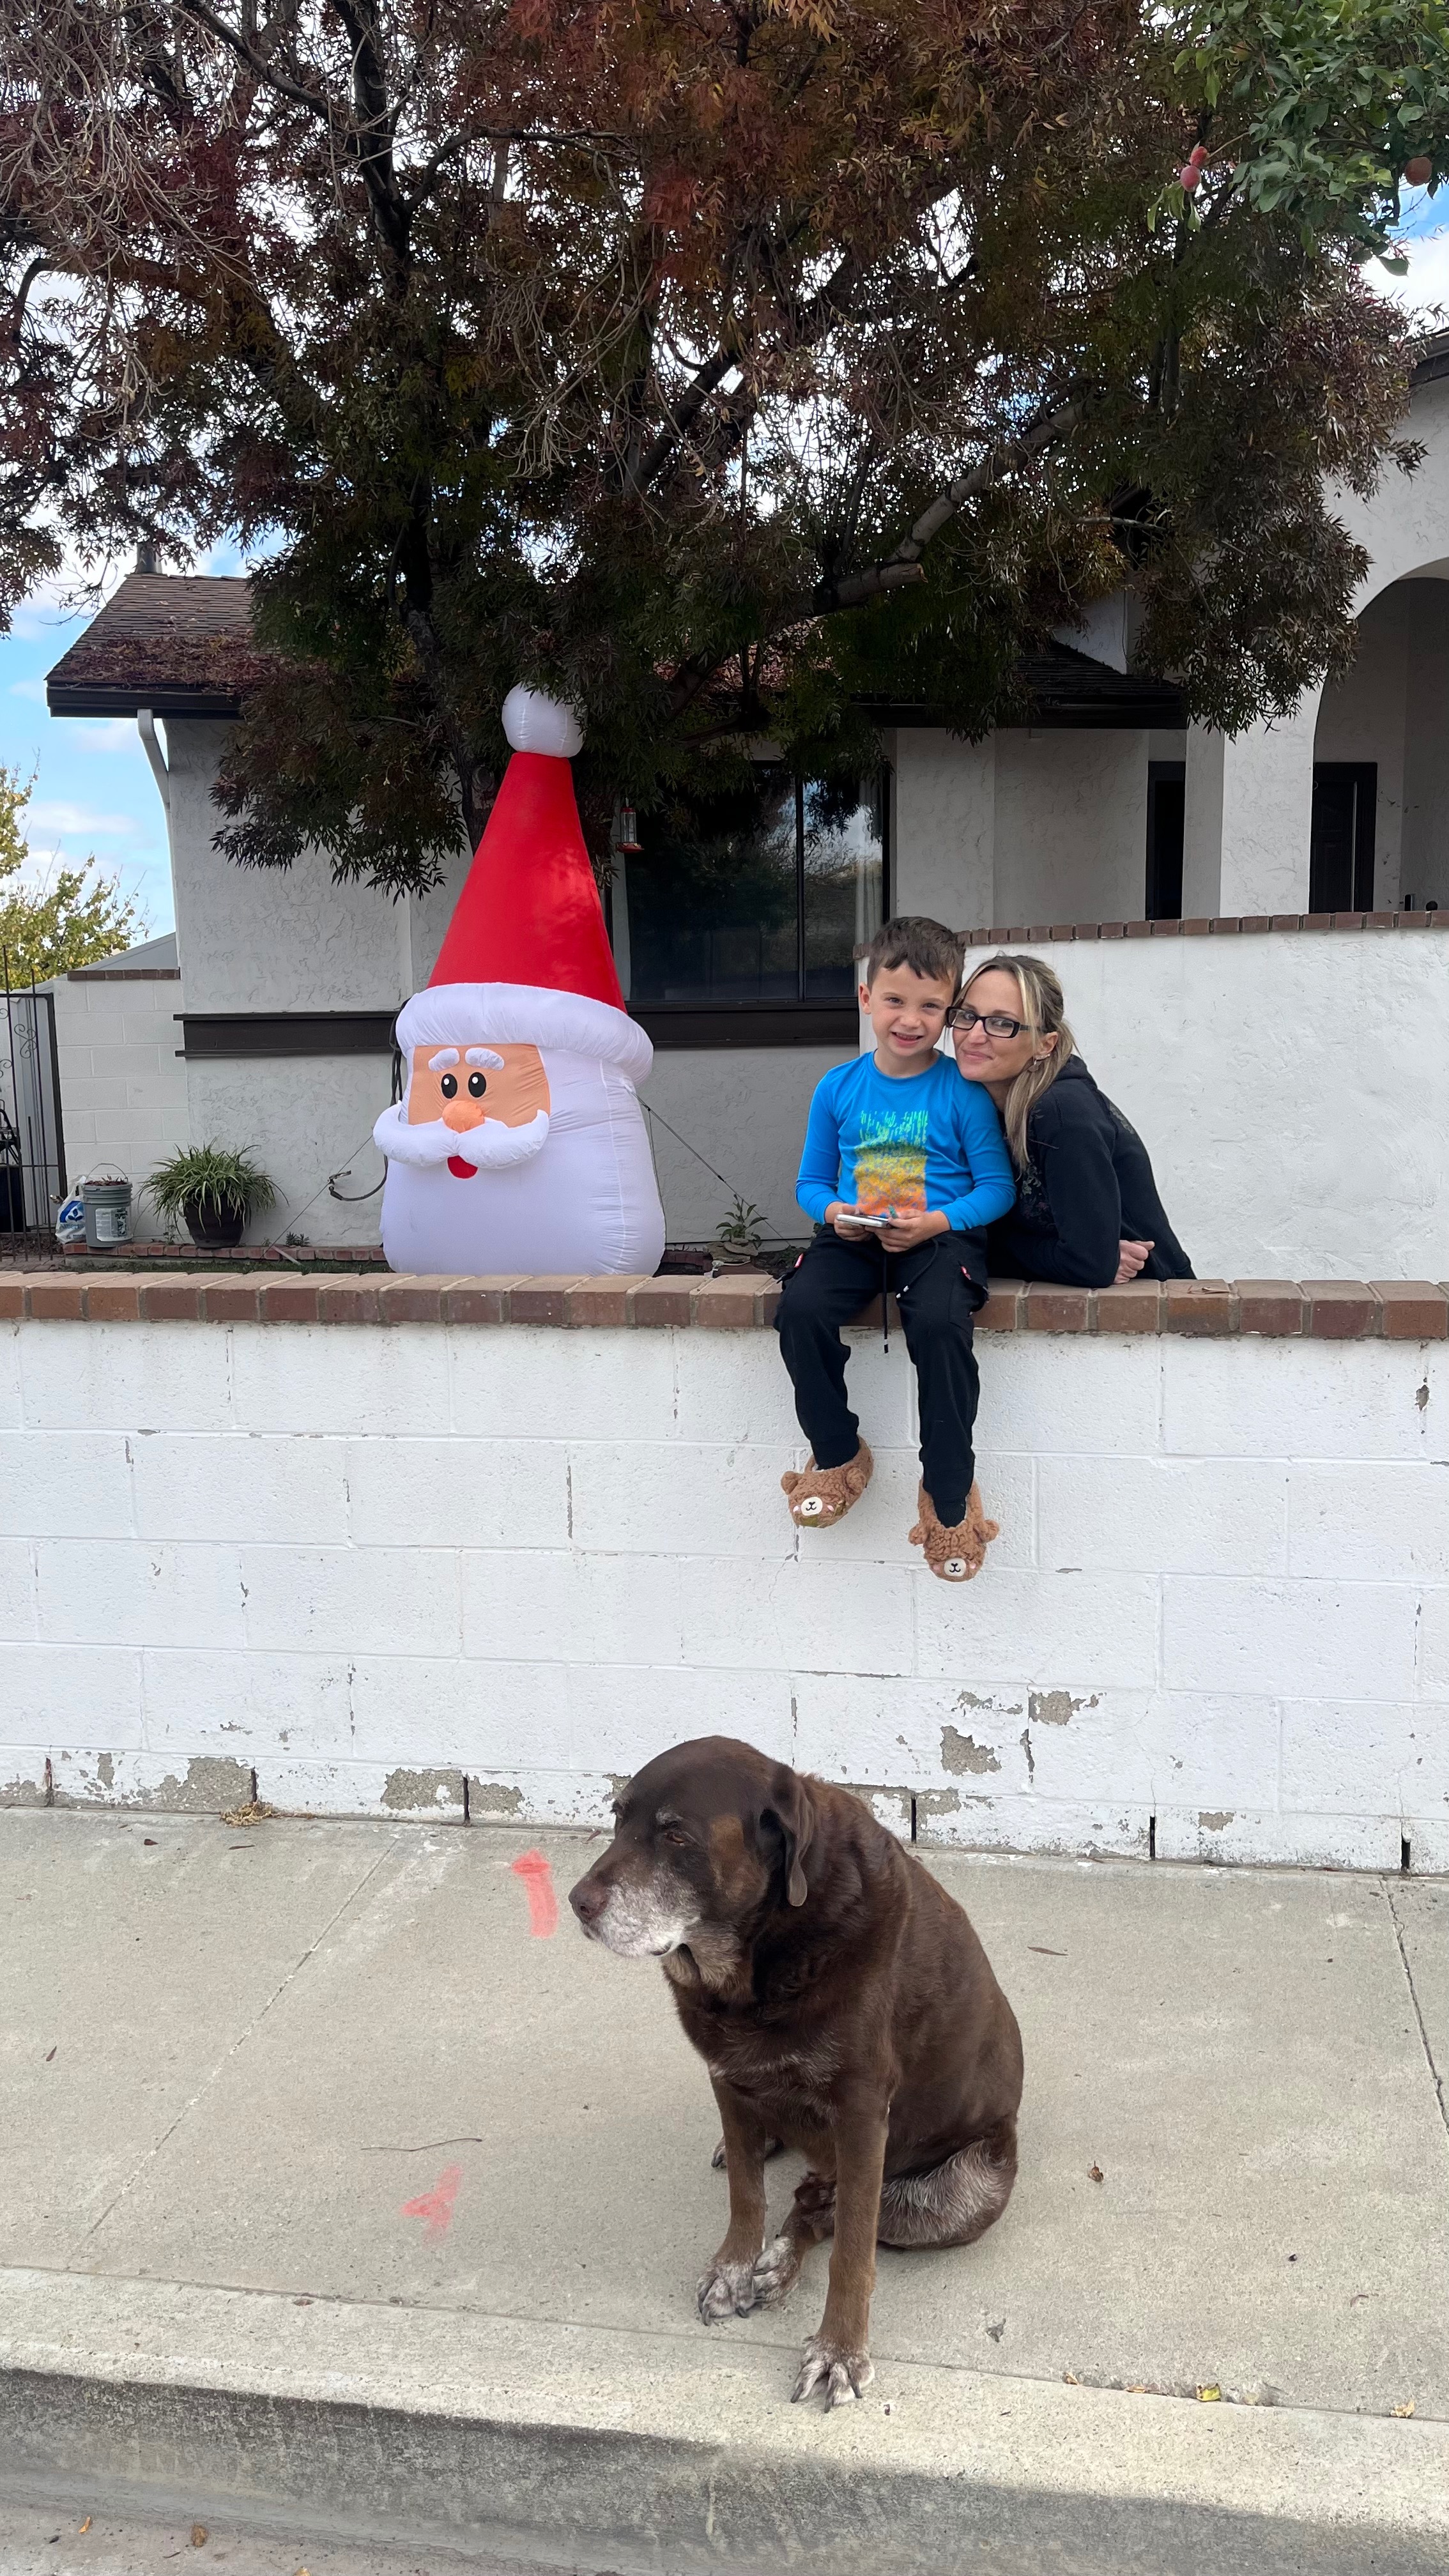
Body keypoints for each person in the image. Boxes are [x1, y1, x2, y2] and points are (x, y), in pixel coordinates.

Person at [774, 916, 1016, 1583]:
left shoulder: (963, 1091)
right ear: (866, 998)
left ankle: (948, 1494)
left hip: (938, 1237)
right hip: (854, 1237)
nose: (910, 1020)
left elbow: (996, 1188)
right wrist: (836, 1215)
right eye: (894, 1001)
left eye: (930, 1006)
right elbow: (810, 1183)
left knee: (938, 1324)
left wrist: (936, 1222)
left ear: (950, 1010)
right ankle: (837, 1454)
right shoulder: (837, 1087)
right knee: (800, 1310)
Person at [950, 951, 1193, 1288]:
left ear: (1045, 1045)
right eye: (967, 1015)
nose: (974, 1036)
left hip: (1149, 1300)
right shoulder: (972, 1101)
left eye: (1003, 1024)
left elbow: (1088, 1264)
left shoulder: (1063, 1114)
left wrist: (980, 1246)